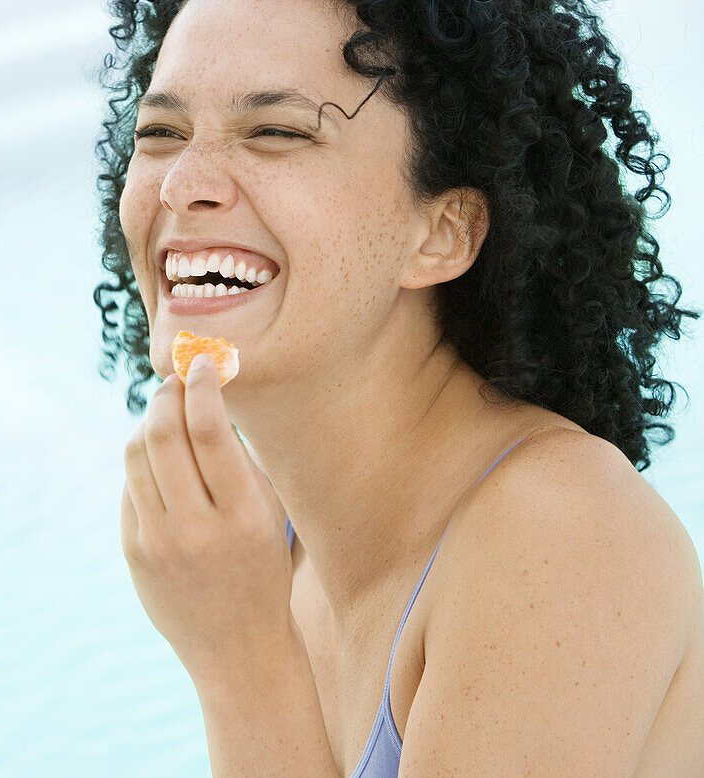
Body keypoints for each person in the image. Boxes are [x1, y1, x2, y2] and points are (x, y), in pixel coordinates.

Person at [93, 0, 704, 774]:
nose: (183, 185)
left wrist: (241, 661)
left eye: (277, 131)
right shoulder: (273, 546)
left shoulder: (562, 531)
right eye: (161, 134)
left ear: (442, 232)